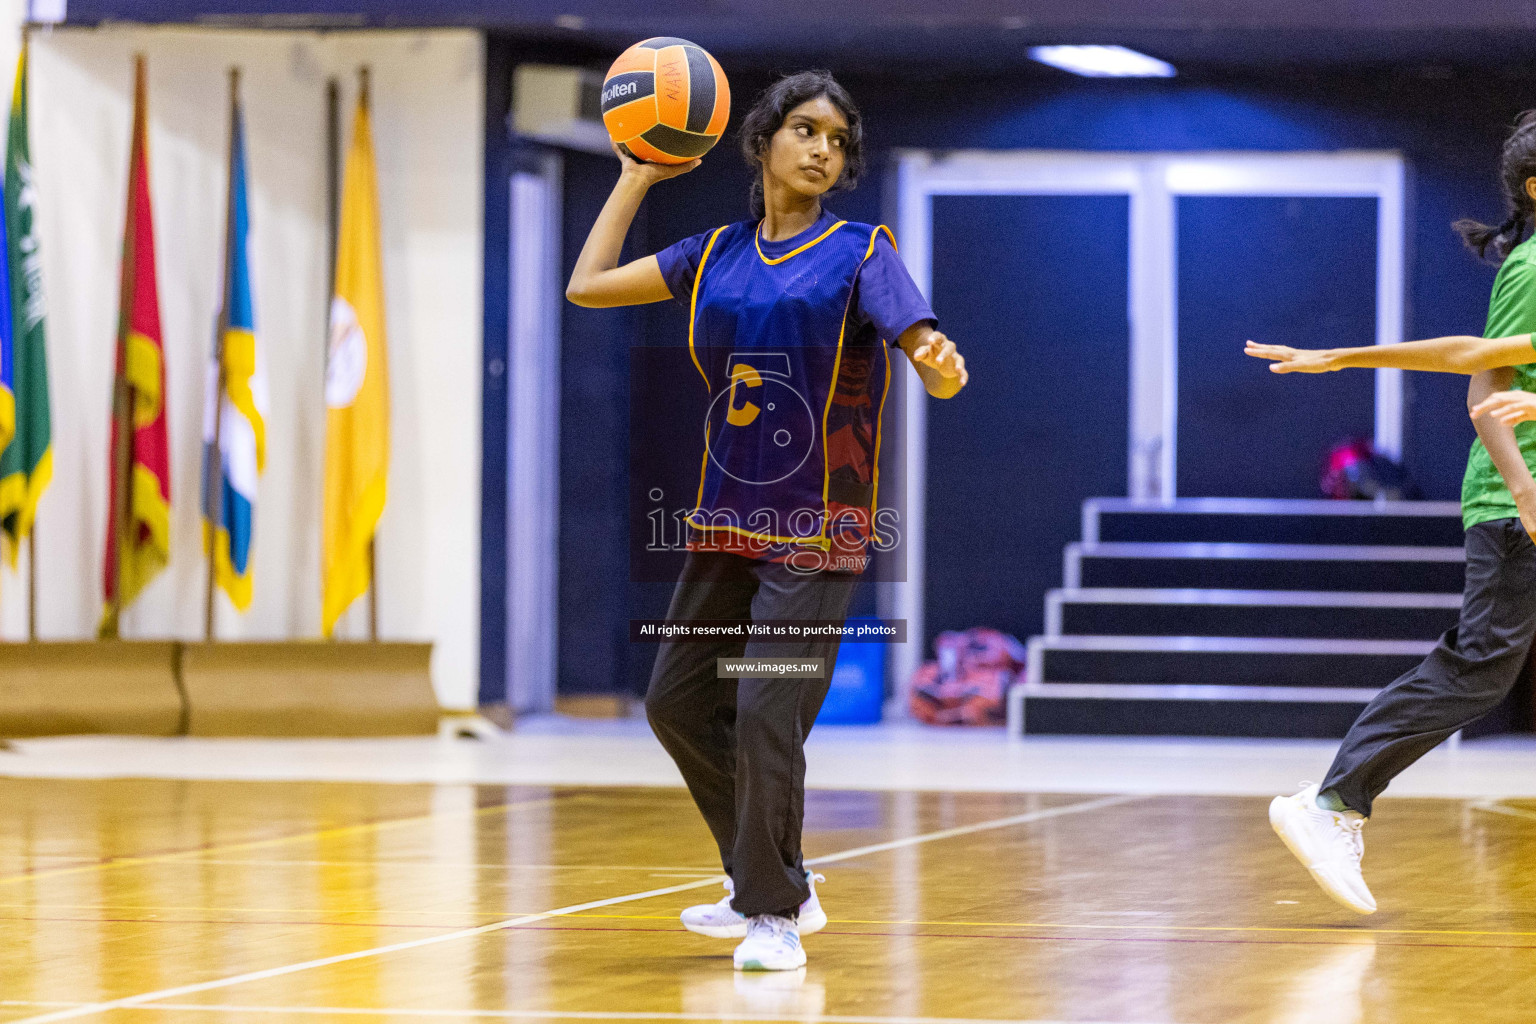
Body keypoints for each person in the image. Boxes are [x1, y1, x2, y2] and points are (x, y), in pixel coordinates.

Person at [566, 70, 967, 969]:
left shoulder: (865, 252)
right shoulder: (712, 255)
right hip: (724, 523)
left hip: (819, 531)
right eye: (806, 130)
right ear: (762, 142)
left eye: (837, 139)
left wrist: (938, 363)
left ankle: (775, 915)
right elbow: (587, 285)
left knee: (764, 708)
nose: (824, 149)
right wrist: (635, 175)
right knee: (674, 704)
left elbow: (920, 344)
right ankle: (770, 880)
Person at [1244, 111, 1536, 915]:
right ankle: (1332, 803)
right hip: (1519, 502)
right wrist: (1523, 489)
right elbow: (1484, 383)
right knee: (1482, 668)